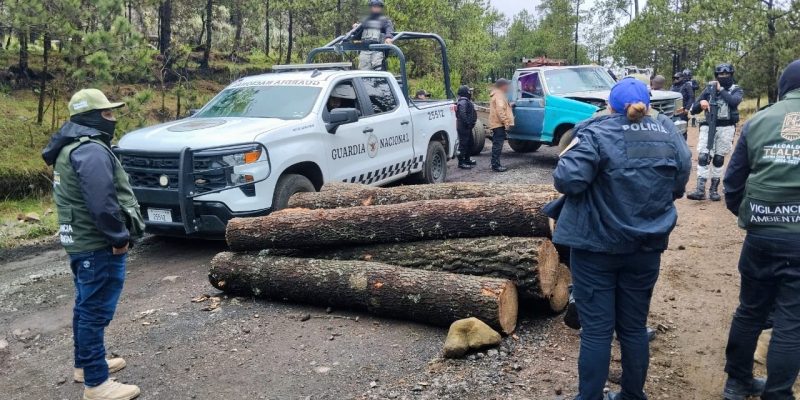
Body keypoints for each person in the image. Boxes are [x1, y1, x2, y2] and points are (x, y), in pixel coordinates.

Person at [549, 78, 691, 400]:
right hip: (646, 248)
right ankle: (631, 395)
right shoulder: (668, 132)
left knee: (597, 331)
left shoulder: (595, 132)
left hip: (596, 247)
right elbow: (680, 179)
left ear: (610, 106)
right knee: (633, 328)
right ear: (649, 105)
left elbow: (567, 180)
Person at [41, 89, 145, 400]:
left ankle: (86, 366)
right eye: (107, 114)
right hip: (97, 244)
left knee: (86, 304)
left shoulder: (70, 146)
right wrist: (118, 238)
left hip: (81, 241)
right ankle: (97, 384)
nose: (113, 119)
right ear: (91, 117)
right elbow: (102, 202)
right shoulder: (91, 151)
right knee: (95, 309)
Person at [720, 59, 800, 400]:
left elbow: (733, 183)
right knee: (792, 321)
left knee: (750, 309)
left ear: (783, 86)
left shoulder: (759, 121)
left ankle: (737, 382)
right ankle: (779, 394)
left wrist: (754, 216)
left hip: (761, 236)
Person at [686, 63, 744, 201]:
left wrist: (721, 89)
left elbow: (734, 102)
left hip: (726, 128)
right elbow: (693, 109)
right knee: (703, 157)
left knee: (718, 158)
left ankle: (714, 189)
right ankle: (700, 189)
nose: (723, 77)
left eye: (726, 74)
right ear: (716, 76)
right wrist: (701, 104)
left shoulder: (736, 89)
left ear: (731, 75)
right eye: (720, 75)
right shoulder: (708, 89)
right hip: (708, 126)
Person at [352, 0, 395, 71]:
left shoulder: (384, 20)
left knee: (378, 71)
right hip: (365, 51)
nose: (376, 9)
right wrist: (356, 28)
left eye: (378, 7)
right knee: (363, 73)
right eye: (374, 7)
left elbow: (389, 29)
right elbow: (357, 35)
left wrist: (388, 37)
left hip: (377, 51)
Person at [488, 78, 514, 172]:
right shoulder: (499, 95)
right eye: (506, 85)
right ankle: (496, 165)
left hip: (496, 123)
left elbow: (502, 107)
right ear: (502, 86)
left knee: (496, 144)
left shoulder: (497, 94)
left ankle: (494, 163)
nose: (508, 87)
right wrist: (506, 122)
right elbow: (500, 110)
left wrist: (509, 105)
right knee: (498, 145)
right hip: (498, 124)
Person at [456, 85, 478, 169]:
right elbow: (462, 113)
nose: (470, 93)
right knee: (463, 144)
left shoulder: (465, 101)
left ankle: (467, 159)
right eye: (469, 91)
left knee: (470, 143)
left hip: (467, 127)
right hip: (464, 127)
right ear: (466, 93)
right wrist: (468, 123)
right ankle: (461, 162)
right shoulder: (463, 102)